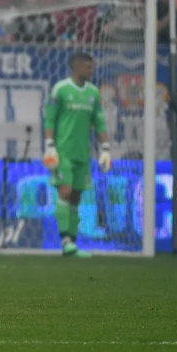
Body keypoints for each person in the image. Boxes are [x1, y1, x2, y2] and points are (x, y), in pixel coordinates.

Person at [43, 52, 112, 258]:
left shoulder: (93, 92)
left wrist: (105, 148)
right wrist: (49, 145)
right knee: (65, 191)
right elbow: (49, 119)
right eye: (88, 67)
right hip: (63, 152)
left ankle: (72, 244)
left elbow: (99, 120)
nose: (91, 71)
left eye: (92, 67)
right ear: (77, 67)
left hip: (83, 153)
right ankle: (65, 241)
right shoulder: (61, 89)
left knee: (76, 197)